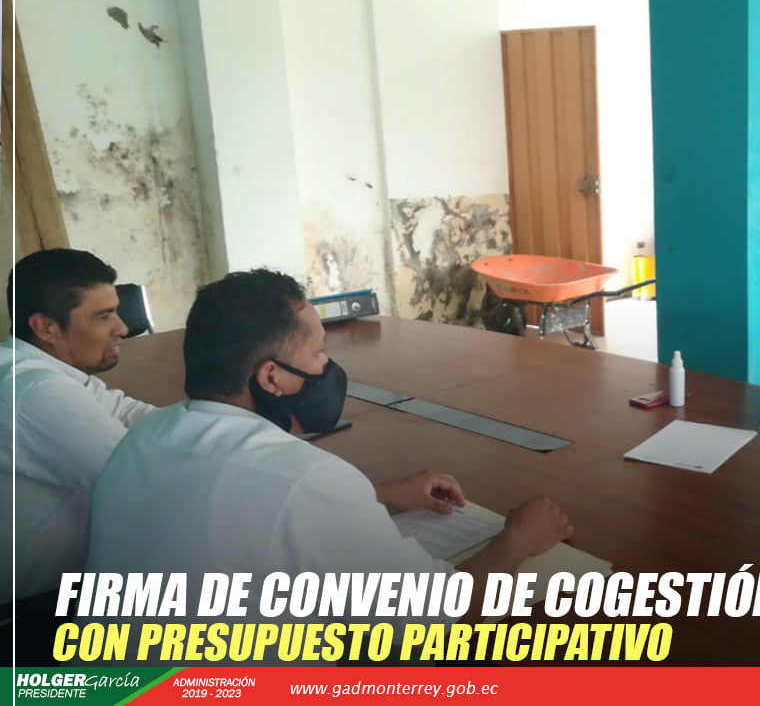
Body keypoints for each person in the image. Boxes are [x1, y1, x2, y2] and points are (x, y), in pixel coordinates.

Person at [85, 269, 572, 656]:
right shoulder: (305, 479)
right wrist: (518, 540)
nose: (327, 367)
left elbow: (243, 508)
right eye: (318, 353)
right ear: (271, 378)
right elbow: (442, 618)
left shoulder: (145, 437)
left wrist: (377, 497)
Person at [1, 249, 157, 604]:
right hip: (36, 609)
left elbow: (129, 411)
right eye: (104, 317)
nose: (123, 328)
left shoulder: (37, 369)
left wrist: (223, 424)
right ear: (45, 327)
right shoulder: (33, 391)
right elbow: (144, 482)